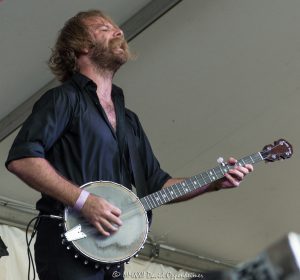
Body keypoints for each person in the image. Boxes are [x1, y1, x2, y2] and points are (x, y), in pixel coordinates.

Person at [5, 10, 253, 280]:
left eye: (116, 28)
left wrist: (213, 182)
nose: (119, 32)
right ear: (82, 46)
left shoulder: (128, 120)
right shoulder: (63, 99)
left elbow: (158, 183)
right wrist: (84, 201)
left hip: (111, 252)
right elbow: (23, 158)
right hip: (68, 244)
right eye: (103, 28)